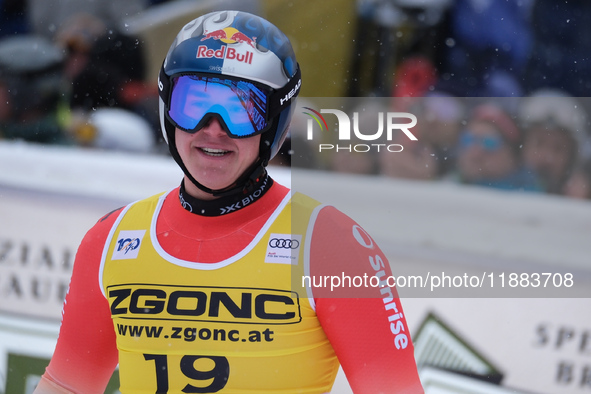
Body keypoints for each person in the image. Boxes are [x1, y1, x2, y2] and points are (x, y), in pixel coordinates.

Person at [34, 11, 423, 394]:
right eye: (194, 103)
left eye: (240, 109)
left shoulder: (331, 245)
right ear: (167, 108)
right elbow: (68, 385)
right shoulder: (111, 239)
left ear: (275, 122)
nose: (213, 128)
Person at [452, 102, 541, 191]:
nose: (475, 152)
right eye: (468, 139)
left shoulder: (534, 198)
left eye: (489, 143)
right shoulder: (448, 185)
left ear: (512, 153)